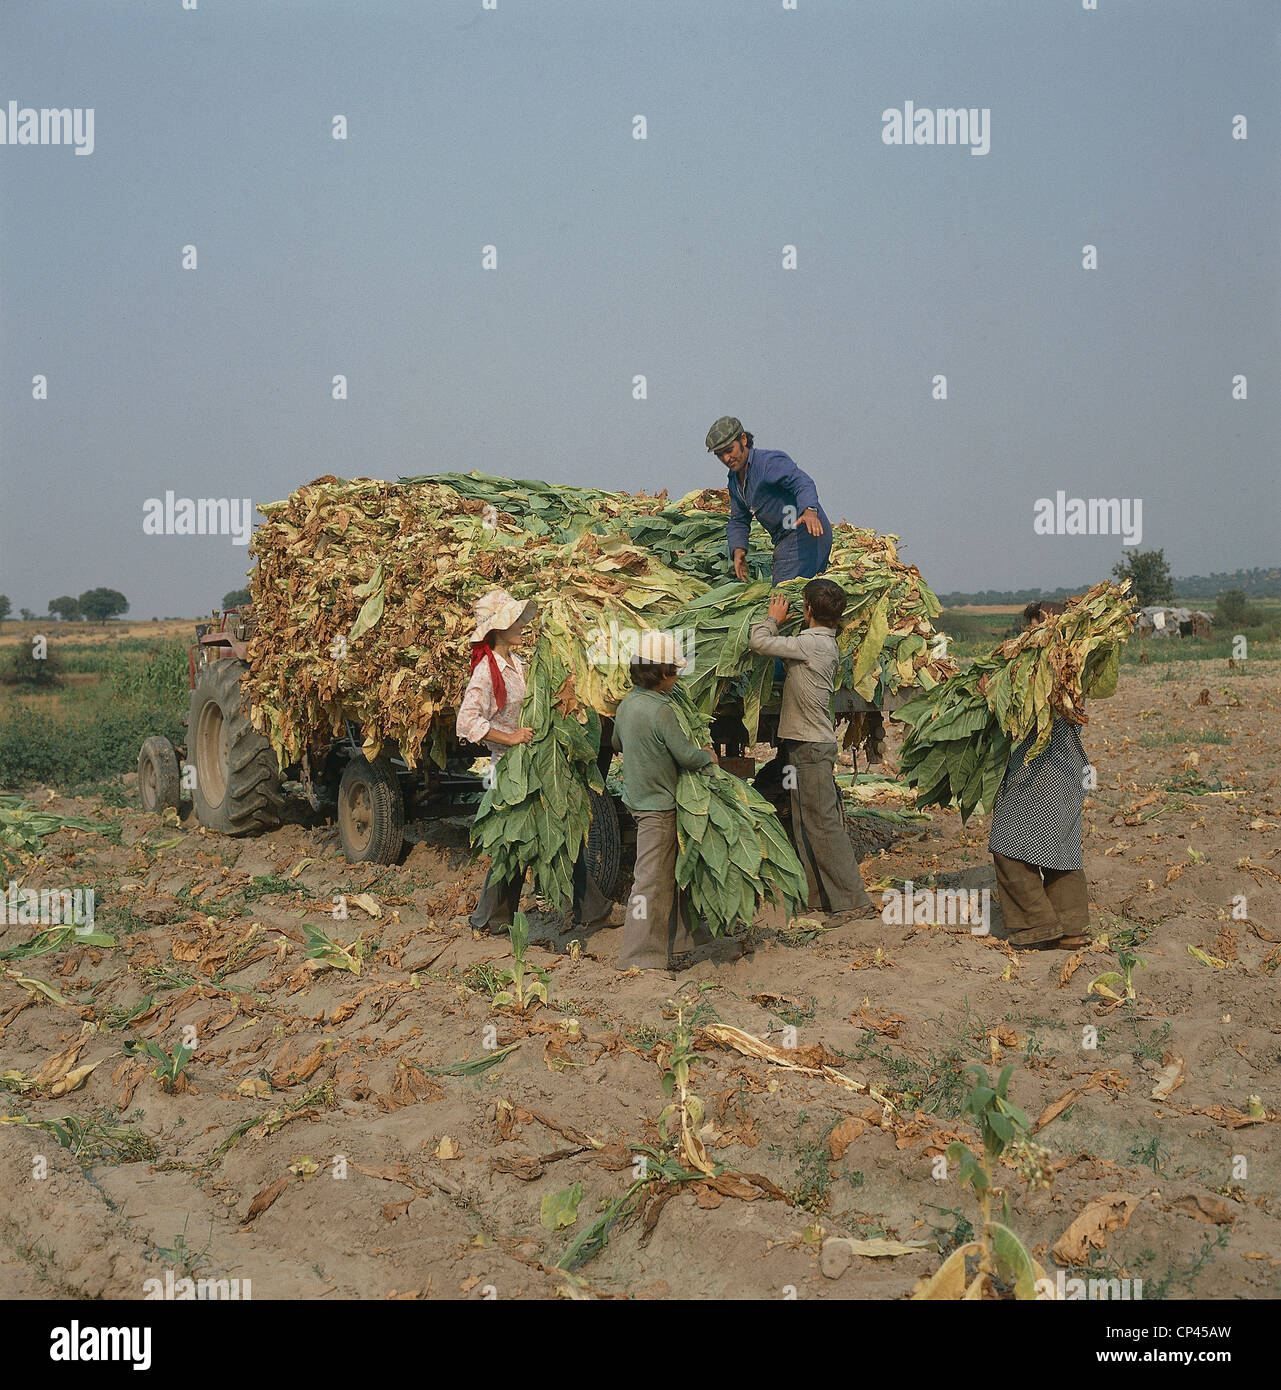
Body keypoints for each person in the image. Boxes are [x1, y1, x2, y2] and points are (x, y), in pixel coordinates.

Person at [456, 588, 616, 933]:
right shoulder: (486, 671)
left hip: (536, 764)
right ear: (497, 629)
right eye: (514, 620)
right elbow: (467, 722)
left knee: (554, 831)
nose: (521, 625)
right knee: (513, 842)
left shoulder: (520, 664)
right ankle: (490, 918)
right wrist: (510, 736)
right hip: (510, 770)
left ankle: (590, 909)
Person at [748, 579, 875, 917]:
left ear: (806, 611)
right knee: (805, 822)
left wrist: (774, 618)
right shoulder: (819, 640)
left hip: (811, 749)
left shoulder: (812, 643)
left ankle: (854, 903)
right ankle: (817, 899)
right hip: (800, 749)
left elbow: (758, 641)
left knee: (823, 824)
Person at [610, 631, 719, 972]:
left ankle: (678, 944)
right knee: (650, 880)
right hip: (658, 805)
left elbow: (616, 741)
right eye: (673, 672)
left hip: (637, 799)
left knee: (669, 874)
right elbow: (685, 756)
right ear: (661, 674)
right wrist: (707, 757)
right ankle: (639, 956)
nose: (676, 678)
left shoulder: (627, 704)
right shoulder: (663, 711)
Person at [987, 602, 1092, 951]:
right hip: (1068, 769)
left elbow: (1021, 714)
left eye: (1040, 627)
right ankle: (1072, 928)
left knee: (1007, 844)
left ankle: (1037, 926)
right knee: (1061, 848)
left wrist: (990, 693)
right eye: (1030, 628)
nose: (1032, 635)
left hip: (1041, 770)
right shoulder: (1075, 667)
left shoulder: (1048, 669)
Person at [705, 416, 834, 583]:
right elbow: (738, 520)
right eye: (719, 455)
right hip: (784, 538)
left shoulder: (768, 463)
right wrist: (738, 550)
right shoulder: (735, 481)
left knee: (782, 594)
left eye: (729, 450)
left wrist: (809, 510)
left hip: (803, 531)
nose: (726, 459)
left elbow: (802, 482)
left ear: (743, 440)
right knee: (806, 594)